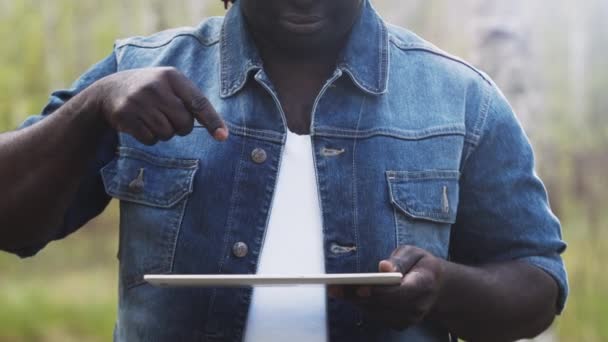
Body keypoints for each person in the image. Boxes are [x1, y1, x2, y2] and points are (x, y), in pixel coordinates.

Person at [0, 0, 568, 341]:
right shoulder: (138, 71)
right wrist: (91, 107)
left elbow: (538, 283)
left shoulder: (462, 100)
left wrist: (444, 288)